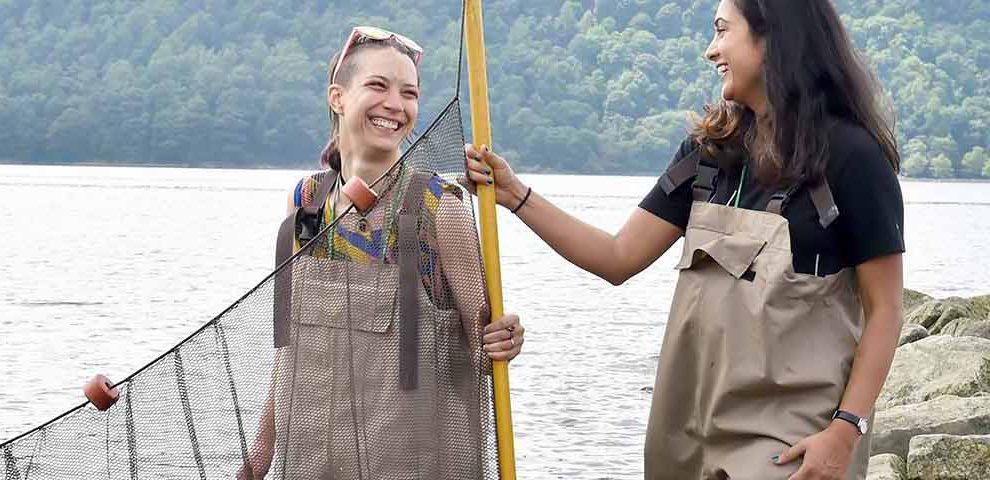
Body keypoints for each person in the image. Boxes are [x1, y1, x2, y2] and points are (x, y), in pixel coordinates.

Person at [464, 1, 902, 478]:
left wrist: (845, 430)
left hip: (791, 436)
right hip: (687, 432)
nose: (710, 50)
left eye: (721, 31)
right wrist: (516, 195)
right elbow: (617, 257)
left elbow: (886, 310)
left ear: (773, 36)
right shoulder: (709, 151)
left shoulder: (853, 158)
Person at [241, 26, 525, 479]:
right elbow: (289, 347)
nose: (396, 104)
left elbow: (483, 351)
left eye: (409, 93)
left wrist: (503, 339)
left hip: (417, 463)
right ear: (338, 97)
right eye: (378, 85)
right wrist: (260, 452)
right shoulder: (307, 202)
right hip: (312, 461)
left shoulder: (439, 207)